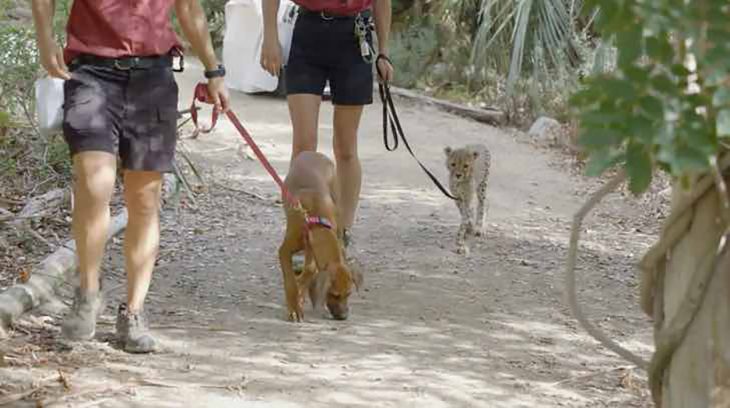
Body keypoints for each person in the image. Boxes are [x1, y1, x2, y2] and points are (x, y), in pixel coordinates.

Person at [31, 0, 229, 353]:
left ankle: (134, 312)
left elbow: (188, 8)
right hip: (91, 73)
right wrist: (45, 41)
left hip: (153, 77)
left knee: (144, 199)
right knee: (95, 184)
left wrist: (214, 72)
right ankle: (88, 294)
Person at [260, 0, 394, 254]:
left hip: (355, 36)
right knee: (304, 146)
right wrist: (270, 36)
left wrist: (384, 52)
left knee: (345, 146)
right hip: (308, 31)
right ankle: (300, 232)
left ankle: (342, 232)